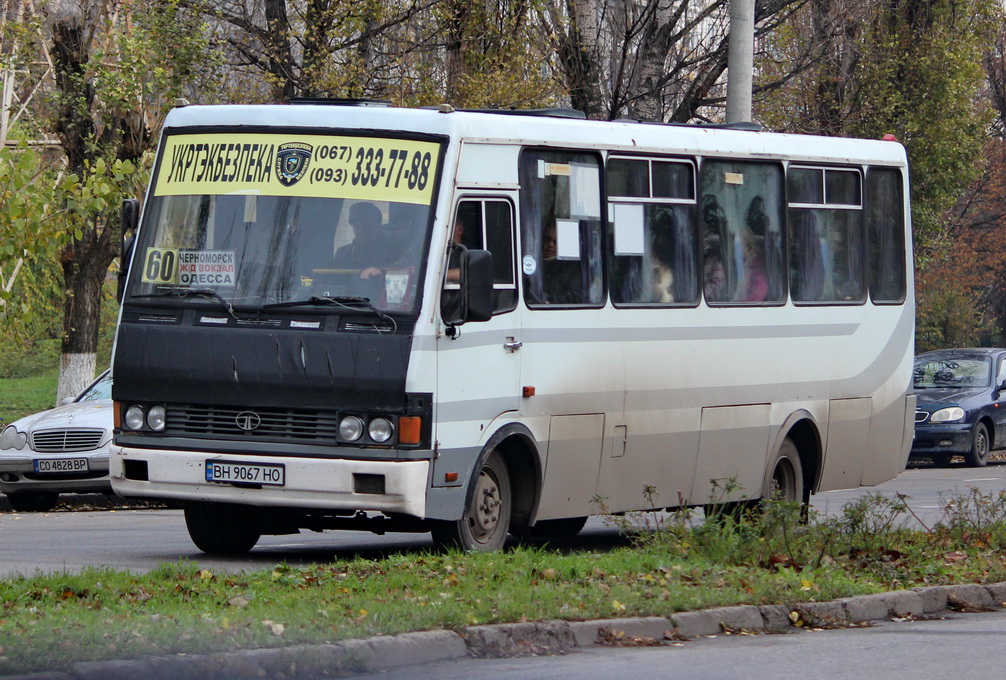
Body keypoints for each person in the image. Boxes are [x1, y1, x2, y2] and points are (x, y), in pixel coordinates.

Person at [332, 202, 394, 279]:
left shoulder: (392, 251)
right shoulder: (342, 254)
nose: (360, 231)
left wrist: (380, 271)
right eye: (357, 226)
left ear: (378, 225)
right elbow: (331, 284)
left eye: (366, 226)